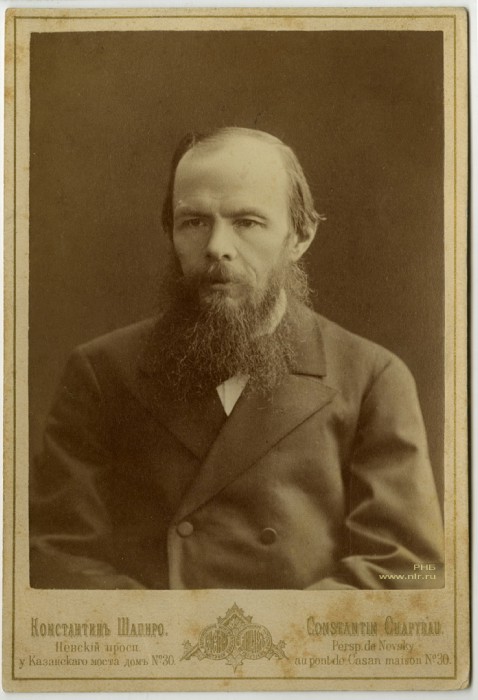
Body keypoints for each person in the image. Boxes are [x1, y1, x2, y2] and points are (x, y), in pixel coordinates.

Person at [30, 127, 444, 590]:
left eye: (247, 222)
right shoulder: (101, 373)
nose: (216, 247)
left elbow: (410, 569)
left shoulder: (373, 379)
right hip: (153, 637)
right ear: (171, 233)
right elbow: (56, 556)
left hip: (300, 639)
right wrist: (165, 629)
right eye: (194, 222)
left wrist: (261, 630)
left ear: (300, 236)